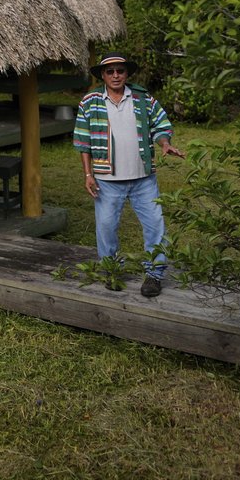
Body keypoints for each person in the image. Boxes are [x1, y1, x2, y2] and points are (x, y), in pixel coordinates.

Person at [73, 52, 183, 297]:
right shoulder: (90, 102)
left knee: (155, 226)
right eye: (110, 71)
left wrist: (165, 143)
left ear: (127, 74)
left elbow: (161, 125)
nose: (115, 75)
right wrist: (88, 174)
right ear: (103, 75)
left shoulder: (143, 98)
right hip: (106, 180)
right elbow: (83, 140)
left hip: (143, 178)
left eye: (120, 71)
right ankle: (112, 270)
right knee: (106, 227)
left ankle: (154, 275)